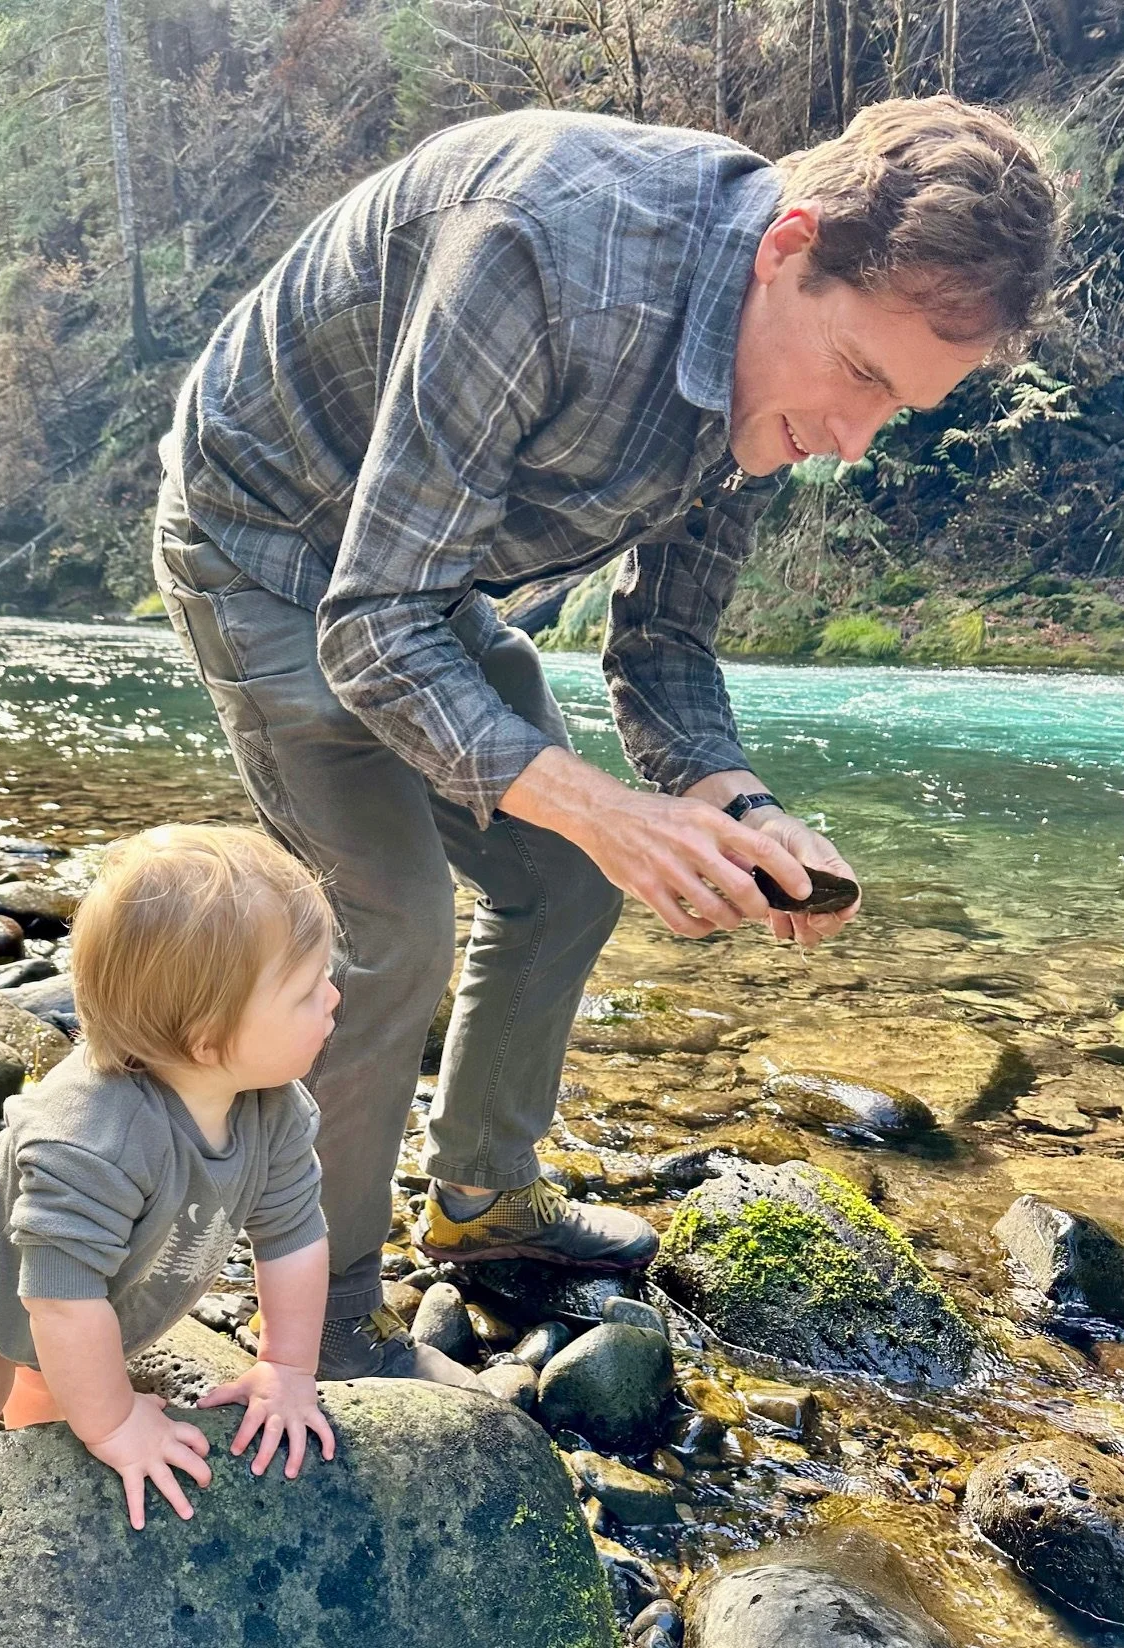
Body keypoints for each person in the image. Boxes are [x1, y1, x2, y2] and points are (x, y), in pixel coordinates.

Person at [152, 96, 1059, 1386]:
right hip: (264, 537)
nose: (849, 443)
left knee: (563, 871)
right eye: (859, 376)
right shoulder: (541, 251)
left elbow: (664, 646)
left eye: (895, 410)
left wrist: (739, 806)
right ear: (786, 247)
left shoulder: (775, 377)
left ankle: (478, 1197)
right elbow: (369, 627)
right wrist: (606, 805)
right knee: (387, 928)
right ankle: (336, 1316)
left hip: (419, 566)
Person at [0, 825, 352, 1527]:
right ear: (206, 1038)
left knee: (47, 1428)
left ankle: (48, 1410)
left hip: (64, 1292)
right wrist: (117, 1424)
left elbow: (294, 1236)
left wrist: (289, 1368)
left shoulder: (270, 1103)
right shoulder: (93, 1138)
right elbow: (62, 1303)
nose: (333, 998)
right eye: (307, 990)